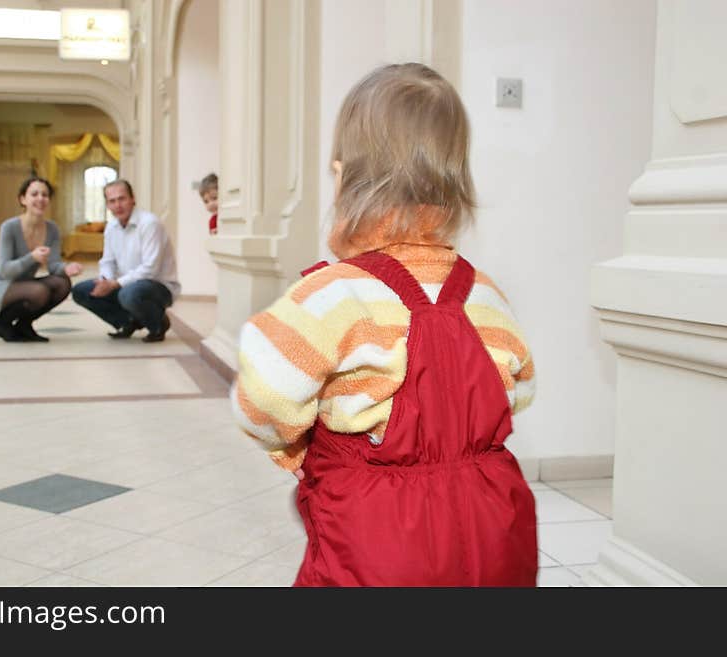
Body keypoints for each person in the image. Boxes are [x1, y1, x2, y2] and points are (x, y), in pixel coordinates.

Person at [231, 63, 538, 586]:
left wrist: (294, 450)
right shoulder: (486, 294)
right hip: (492, 525)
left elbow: (265, 401)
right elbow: (520, 391)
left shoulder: (332, 296)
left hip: (376, 538)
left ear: (345, 177)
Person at [71, 179, 181, 342]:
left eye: (122, 199)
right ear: (107, 205)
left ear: (132, 199)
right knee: (81, 291)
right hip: (126, 285)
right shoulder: (111, 227)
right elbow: (107, 261)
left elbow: (151, 268)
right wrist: (105, 280)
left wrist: (115, 284)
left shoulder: (149, 223)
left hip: (158, 286)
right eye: (112, 201)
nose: (117, 205)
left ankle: (158, 322)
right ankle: (127, 321)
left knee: (128, 294)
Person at [0, 177, 83, 342]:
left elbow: (53, 266)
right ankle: (2, 323)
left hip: (25, 286)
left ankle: (24, 324)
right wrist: (31, 257)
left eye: (45, 195)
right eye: (34, 194)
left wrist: (66, 268)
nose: (40, 199)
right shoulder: (9, 227)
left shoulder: (52, 229)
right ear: (23, 199)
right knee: (40, 291)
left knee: (62, 283)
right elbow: (5, 271)